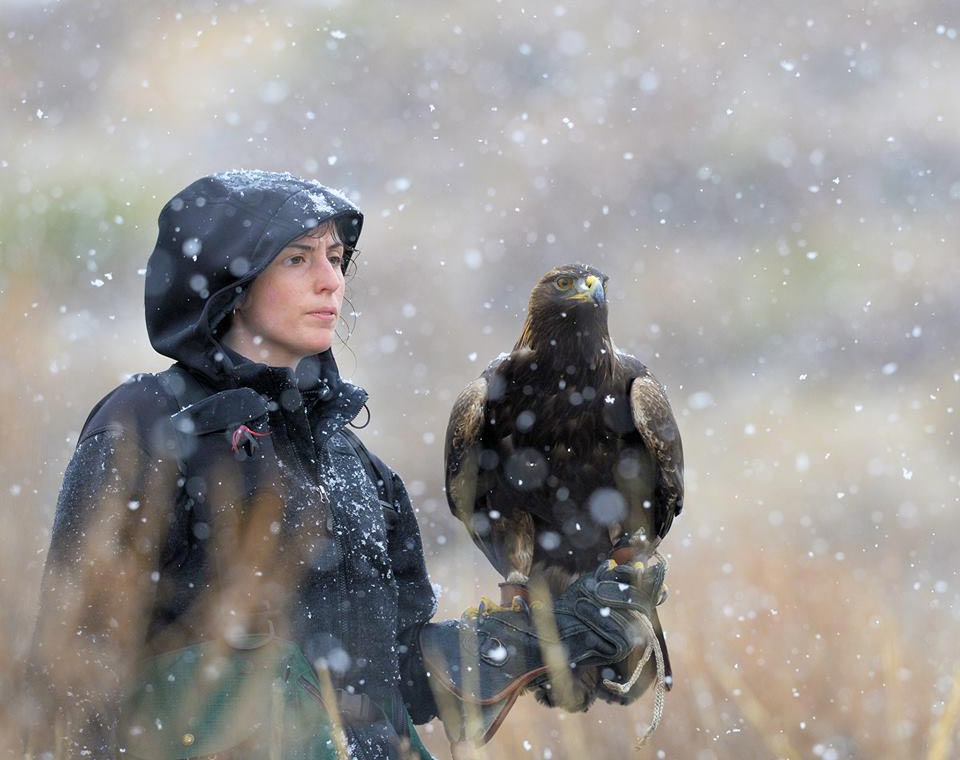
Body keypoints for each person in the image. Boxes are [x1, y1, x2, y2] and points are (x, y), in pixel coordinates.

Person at [24, 171, 666, 760]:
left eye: (335, 258)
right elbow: (73, 675)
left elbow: (384, 680)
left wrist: (532, 641)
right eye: (297, 259)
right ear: (231, 280)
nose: (331, 280)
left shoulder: (349, 460)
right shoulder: (148, 427)